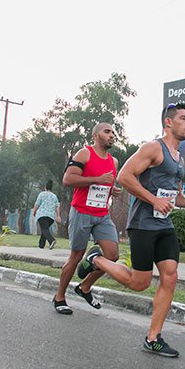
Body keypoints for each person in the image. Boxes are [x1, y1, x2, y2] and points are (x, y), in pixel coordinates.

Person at [77, 103, 185, 358]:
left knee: (170, 276)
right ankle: (95, 259)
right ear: (168, 122)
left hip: (164, 224)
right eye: (183, 118)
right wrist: (153, 200)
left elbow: (172, 195)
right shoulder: (153, 148)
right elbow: (124, 176)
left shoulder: (179, 158)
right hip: (144, 223)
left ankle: (153, 337)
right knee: (139, 282)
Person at [52, 122, 121, 315]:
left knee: (112, 256)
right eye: (107, 131)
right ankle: (59, 297)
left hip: (102, 215)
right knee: (75, 257)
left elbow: (103, 185)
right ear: (95, 136)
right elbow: (68, 180)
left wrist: (110, 189)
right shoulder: (85, 153)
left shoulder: (114, 162)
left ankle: (84, 287)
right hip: (82, 212)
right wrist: (97, 180)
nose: (112, 135)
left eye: (113, 132)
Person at [32, 179, 61, 249]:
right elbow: (57, 207)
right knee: (45, 229)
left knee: (44, 229)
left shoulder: (41, 194)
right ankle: (41, 245)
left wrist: (34, 211)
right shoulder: (54, 196)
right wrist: (58, 216)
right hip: (51, 217)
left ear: (45, 187)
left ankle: (52, 240)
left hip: (42, 215)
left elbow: (37, 204)